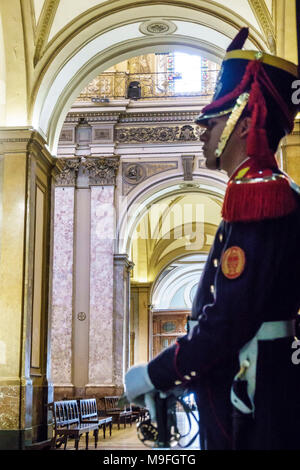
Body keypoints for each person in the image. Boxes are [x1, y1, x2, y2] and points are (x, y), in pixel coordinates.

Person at [125, 28, 300, 450]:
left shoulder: (261, 193)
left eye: (211, 121)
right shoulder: (263, 189)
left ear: (242, 124)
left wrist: (156, 372)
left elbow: (228, 320)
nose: (201, 130)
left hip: (252, 394)